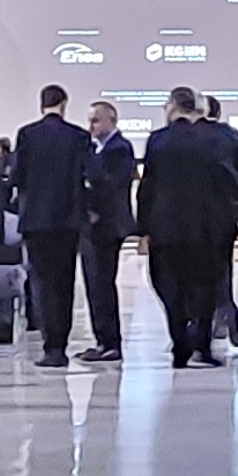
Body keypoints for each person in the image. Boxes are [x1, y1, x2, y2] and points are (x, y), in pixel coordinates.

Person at [137, 85, 238, 368]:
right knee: (206, 286)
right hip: (212, 228)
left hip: (168, 228)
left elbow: (148, 187)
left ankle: (179, 341)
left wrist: (144, 228)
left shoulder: (159, 140)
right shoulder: (223, 137)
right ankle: (202, 344)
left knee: (169, 285)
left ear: (173, 107)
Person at [8, 82, 99, 366]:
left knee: (42, 283)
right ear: (64, 105)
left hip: (36, 220)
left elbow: (17, 176)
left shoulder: (27, 135)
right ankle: (62, 342)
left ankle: (51, 348)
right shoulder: (78, 136)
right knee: (65, 282)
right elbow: (90, 175)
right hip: (68, 220)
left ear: (42, 104)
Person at [79, 97, 136, 362]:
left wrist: (90, 174)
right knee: (94, 284)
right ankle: (101, 339)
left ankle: (110, 342)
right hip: (92, 225)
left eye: (96, 120)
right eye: (89, 120)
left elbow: (109, 185)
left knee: (102, 282)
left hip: (107, 225)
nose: (91, 126)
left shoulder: (119, 149)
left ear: (111, 120)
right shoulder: (96, 148)